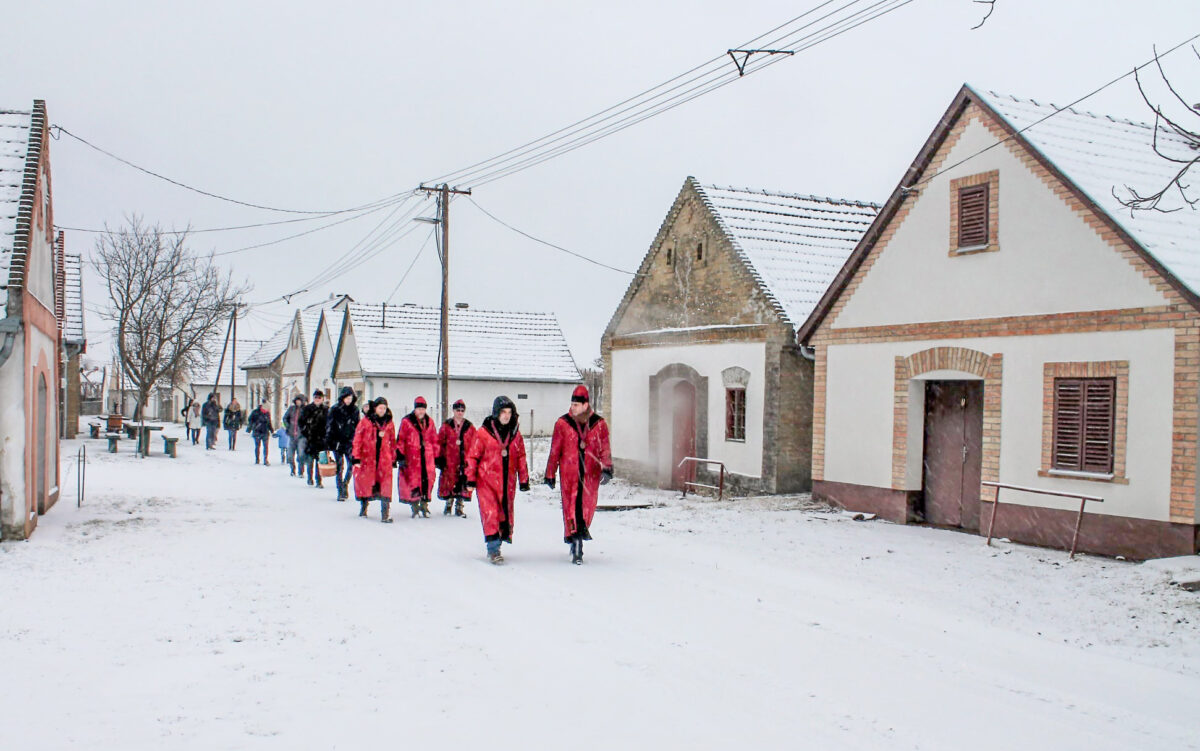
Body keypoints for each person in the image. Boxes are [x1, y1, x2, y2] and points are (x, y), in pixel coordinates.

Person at [545, 385, 612, 564]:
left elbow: (604, 447)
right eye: (572, 404)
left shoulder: (599, 424)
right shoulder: (563, 423)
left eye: (576, 404)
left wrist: (607, 468)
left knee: (586, 509)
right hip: (570, 475)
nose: (573, 407)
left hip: (590, 475)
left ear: (585, 405)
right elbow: (555, 450)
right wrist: (550, 473)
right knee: (571, 508)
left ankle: (578, 536)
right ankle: (576, 545)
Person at [466, 396, 529, 564]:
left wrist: (524, 479)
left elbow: (521, 456)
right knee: (490, 513)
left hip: (507, 483)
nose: (506, 416)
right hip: (486, 482)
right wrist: (470, 479)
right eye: (503, 412)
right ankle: (493, 549)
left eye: (509, 412)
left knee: (503, 515)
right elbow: (472, 456)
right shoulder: (483, 433)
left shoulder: (515, 435)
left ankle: (498, 543)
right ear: (496, 413)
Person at [352, 397, 398, 523]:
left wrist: (393, 457)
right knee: (366, 483)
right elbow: (357, 440)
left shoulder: (389, 423)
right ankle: (364, 506)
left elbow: (392, 441)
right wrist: (356, 457)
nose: (382, 410)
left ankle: (385, 513)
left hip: (384, 459)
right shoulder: (365, 422)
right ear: (375, 408)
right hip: (368, 458)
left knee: (385, 485)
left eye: (384, 408)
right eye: (380, 408)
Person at [397, 396, 439, 518]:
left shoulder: (430, 422)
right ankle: (415, 506)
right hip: (413, 457)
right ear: (415, 409)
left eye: (423, 409)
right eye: (419, 409)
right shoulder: (407, 422)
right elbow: (401, 439)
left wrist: (437, 456)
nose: (421, 411)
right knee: (414, 481)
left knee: (428, 481)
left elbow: (434, 439)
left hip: (427, 458)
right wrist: (400, 455)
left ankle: (424, 505)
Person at [436, 399, 476, 517]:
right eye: (457, 410)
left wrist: (474, 459)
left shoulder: (469, 427)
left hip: (464, 459)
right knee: (449, 481)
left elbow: (475, 443)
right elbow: (439, 442)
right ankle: (448, 503)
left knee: (462, 481)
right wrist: (439, 457)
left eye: (462, 410)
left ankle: (460, 505)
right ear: (453, 411)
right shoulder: (447, 425)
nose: (460, 412)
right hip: (450, 459)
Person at [325, 386, 361, 502]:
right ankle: (340, 490)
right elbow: (329, 426)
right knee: (339, 467)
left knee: (352, 465)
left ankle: (345, 483)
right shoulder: (335, 409)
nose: (349, 400)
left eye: (351, 398)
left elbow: (358, 426)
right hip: (337, 442)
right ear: (343, 398)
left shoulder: (355, 410)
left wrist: (357, 440)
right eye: (347, 398)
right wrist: (329, 441)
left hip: (350, 442)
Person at [299, 390, 329, 488]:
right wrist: (306, 431)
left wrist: (327, 435)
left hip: (321, 439)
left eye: (319, 398)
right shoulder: (307, 409)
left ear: (322, 399)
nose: (317, 399)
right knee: (310, 460)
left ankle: (318, 480)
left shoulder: (326, 410)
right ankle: (309, 477)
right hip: (310, 438)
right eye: (316, 397)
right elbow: (301, 422)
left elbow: (329, 423)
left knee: (320, 461)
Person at [282, 395, 306, 476]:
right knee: (290, 454)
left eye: (300, 400)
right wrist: (288, 426)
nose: (298, 402)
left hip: (301, 436)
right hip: (292, 434)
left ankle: (301, 471)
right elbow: (285, 418)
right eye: (297, 400)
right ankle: (292, 469)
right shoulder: (291, 409)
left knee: (301, 454)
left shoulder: (305, 410)